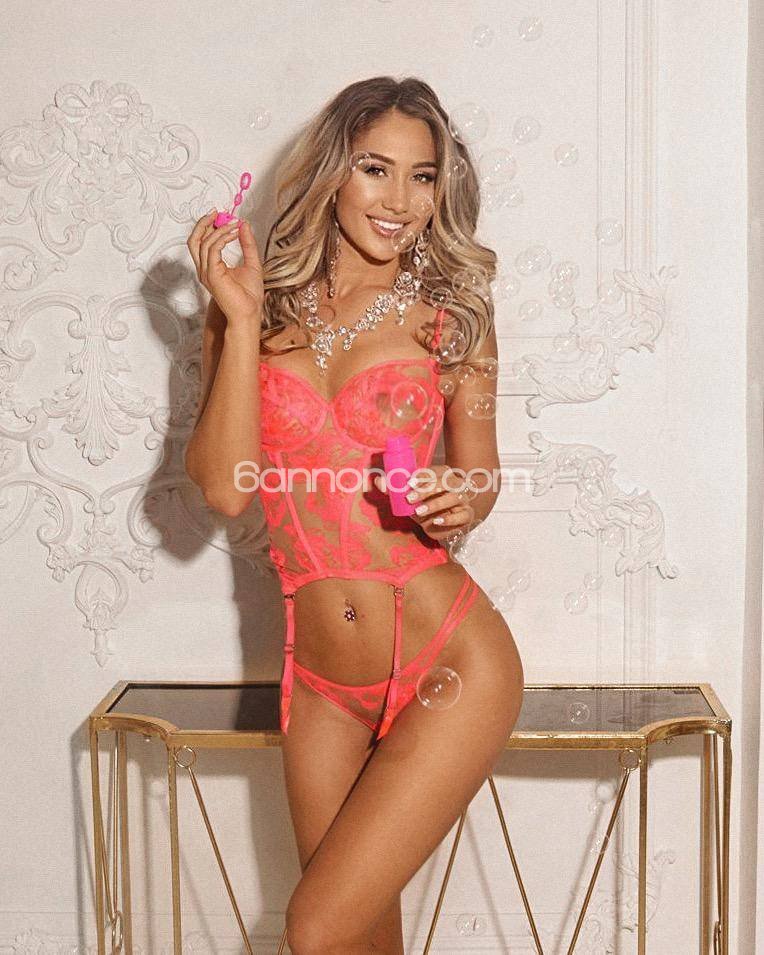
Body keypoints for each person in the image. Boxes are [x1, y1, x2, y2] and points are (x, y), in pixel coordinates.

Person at [185, 75, 524, 955]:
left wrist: (462, 495)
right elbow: (224, 489)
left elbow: (481, 478)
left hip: (451, 656)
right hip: (320, 684)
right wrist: (240, 319)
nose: (400, 200)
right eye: (376, 169)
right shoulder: (250, 312)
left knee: (312, 926)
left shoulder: (454, 317)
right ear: (332, 171)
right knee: (353, 945)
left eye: (423, 176)